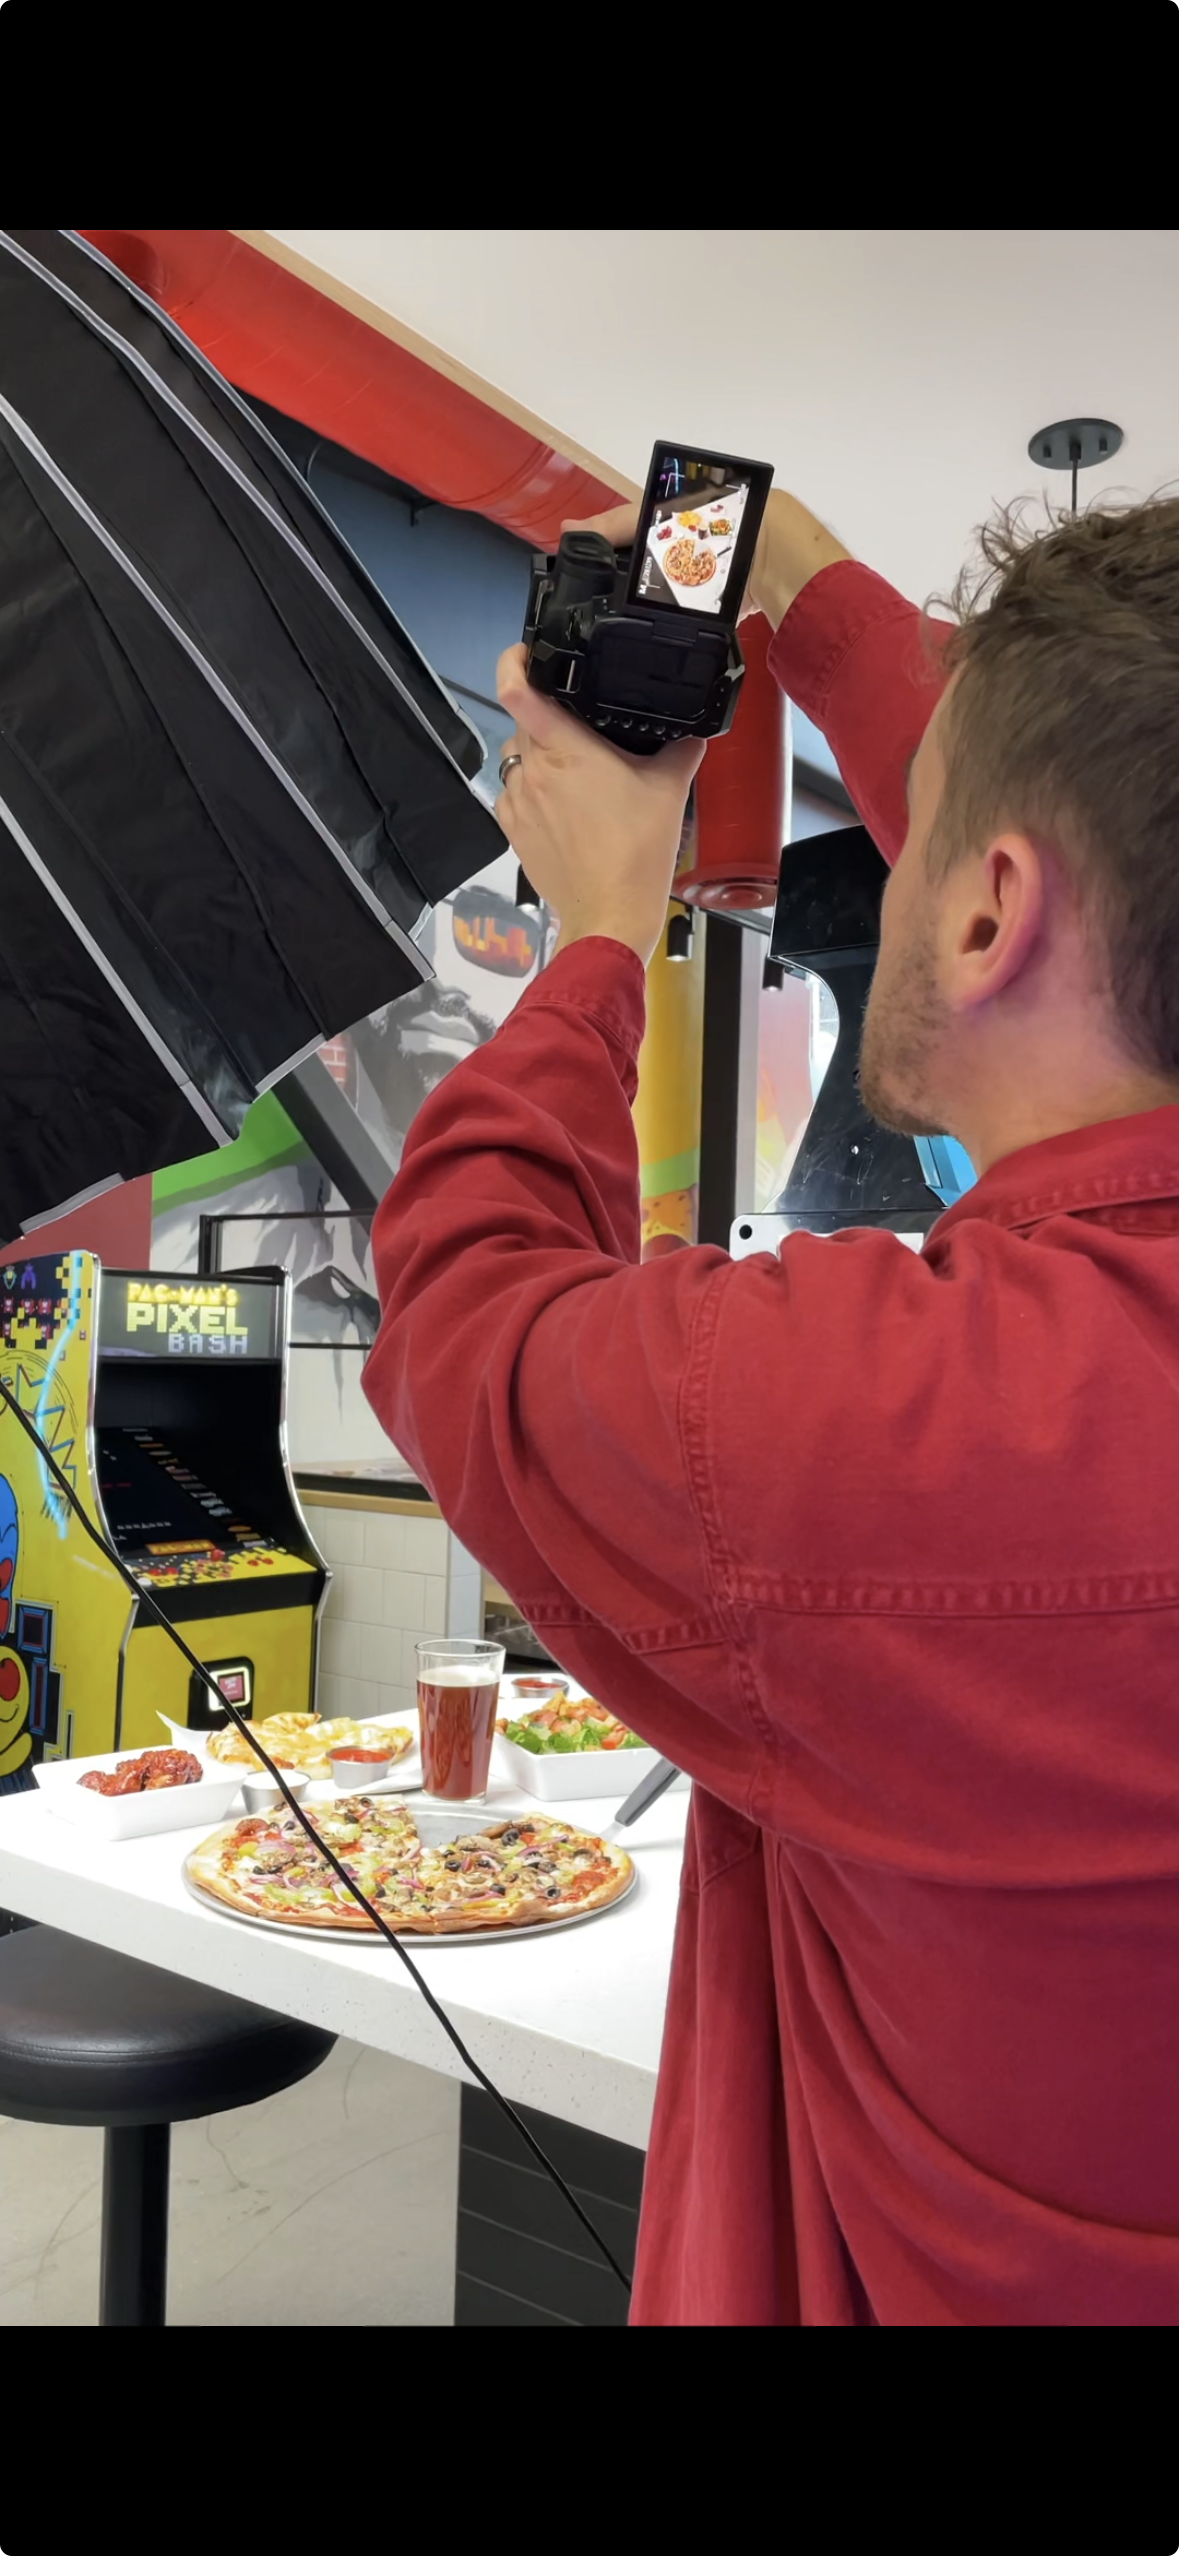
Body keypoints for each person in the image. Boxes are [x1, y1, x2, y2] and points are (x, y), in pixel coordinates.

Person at [362, 478, 1179, 2327]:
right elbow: (1091, 848)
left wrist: (592, 939)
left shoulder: (883, 1420)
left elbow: (466, 1304)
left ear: (981, 914)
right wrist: (800, 592)